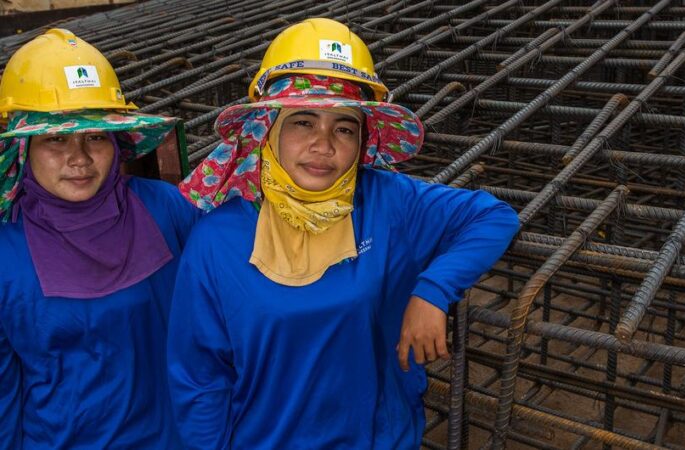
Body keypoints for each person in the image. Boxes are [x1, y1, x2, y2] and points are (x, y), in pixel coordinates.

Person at [169, 18, 519, 449]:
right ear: (268, 129)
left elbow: (494, 217)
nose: (324, 144)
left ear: (361, 140)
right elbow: (200, 377)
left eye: (344, 127)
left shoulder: (388, 201)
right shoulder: (217, 239)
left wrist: (432, 290)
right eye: (302, 122)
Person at [0, 29, 200, 448]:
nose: (79, 158)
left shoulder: (166, 209)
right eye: (56, 139)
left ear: (116, 144)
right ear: (23, 150)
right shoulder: (7, 248)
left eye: (95, 137)